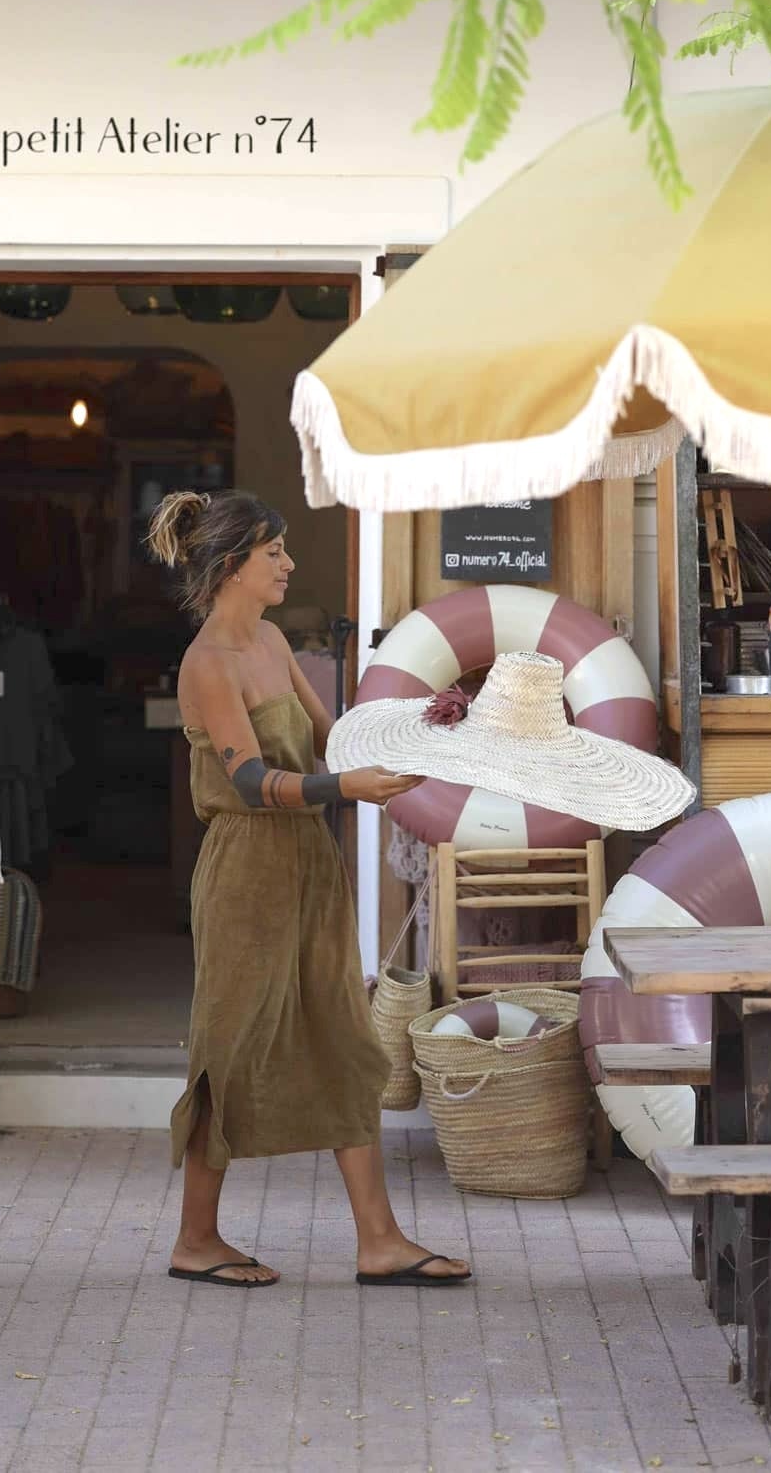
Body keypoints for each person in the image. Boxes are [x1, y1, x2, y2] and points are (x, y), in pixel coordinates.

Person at [148, 489, 473, 1289]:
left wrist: (427, 733)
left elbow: (337, 739)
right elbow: (252, 783)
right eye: (275, 552)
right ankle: (196, 1239)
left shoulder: (269, 640)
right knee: (231, 1048)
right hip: (246, 872)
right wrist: (347, 789)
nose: (289, 564)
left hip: (310, 865)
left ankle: (380, 1240)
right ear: (233, 565)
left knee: (346, 1042)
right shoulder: (208, 663)